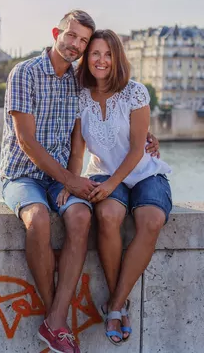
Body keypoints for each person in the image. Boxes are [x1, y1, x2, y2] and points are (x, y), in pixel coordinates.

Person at [0, 10, 159, 353]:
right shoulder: (24, 73)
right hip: (22, 174)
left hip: (61, 178)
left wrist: (146, 134)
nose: (76, 44)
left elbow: (113, 108)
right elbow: (26, 141)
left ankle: (54, 321)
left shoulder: (78, 82)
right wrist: (71, 180)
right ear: (57, 32)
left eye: (83, 41)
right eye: (72, 36)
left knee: (82, 216)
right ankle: (56, 320)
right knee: (38, 220)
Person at [63, 29, 172, 346]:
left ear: (117, 58)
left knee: (151, 220)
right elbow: (77, 152)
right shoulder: (80, 96)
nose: (101, 60)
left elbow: (138, 148)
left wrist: (113, 183)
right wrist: (71, 182)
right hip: (102, 172)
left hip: (142, 172)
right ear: (87, 58)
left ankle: (113, 305)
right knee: (109, 217)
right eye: (95, 53)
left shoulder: (135, 93)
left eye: (108, 54)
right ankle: (118, 304)